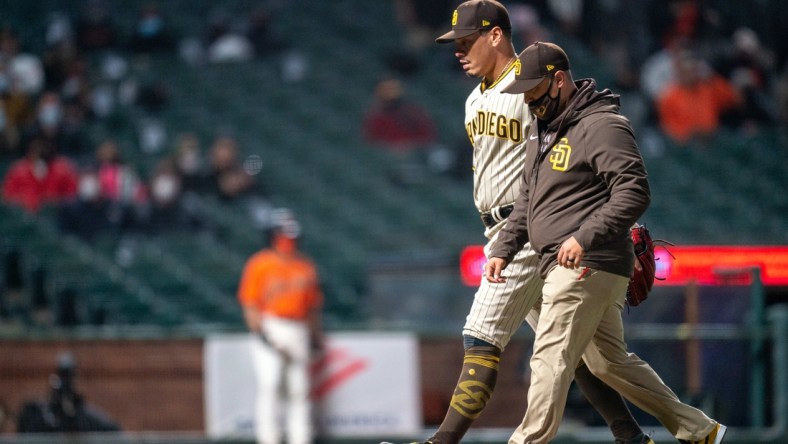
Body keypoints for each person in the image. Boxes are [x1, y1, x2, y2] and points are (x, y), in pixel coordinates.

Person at [394, 2, 650, 444]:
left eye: (466, 40)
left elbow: (579, 139)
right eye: (454, 43)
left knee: (481, 333)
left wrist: (594, 219)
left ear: (495, 35)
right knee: (578, 352)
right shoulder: (475, 98)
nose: (458, 50)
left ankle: (442, 441)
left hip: (533, 226)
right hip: (503, 229)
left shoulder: (531, 83)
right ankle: (631, 436)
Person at [484, 41, 727, 444]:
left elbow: (633, 191)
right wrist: (503, 248)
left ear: (558, 80)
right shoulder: (542, 133)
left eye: (532, 90)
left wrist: (584, 236)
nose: (528, 99)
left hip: (588, 262)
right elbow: (527, 200)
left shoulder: (601, 125)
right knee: (608, 363)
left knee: (549, 356)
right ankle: (699, 429)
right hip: (567, 263)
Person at [237, 211, 324, 444]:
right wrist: (261, 334)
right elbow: (250, 304)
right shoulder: (260, 263)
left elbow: (312, 308)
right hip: (271, 325)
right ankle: (269, 439)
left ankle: (301, 439)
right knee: (270, 384)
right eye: (283, 235)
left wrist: (315, 338)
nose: (288, 241)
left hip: (298, 329)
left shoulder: (305, 266)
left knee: (299, 389)